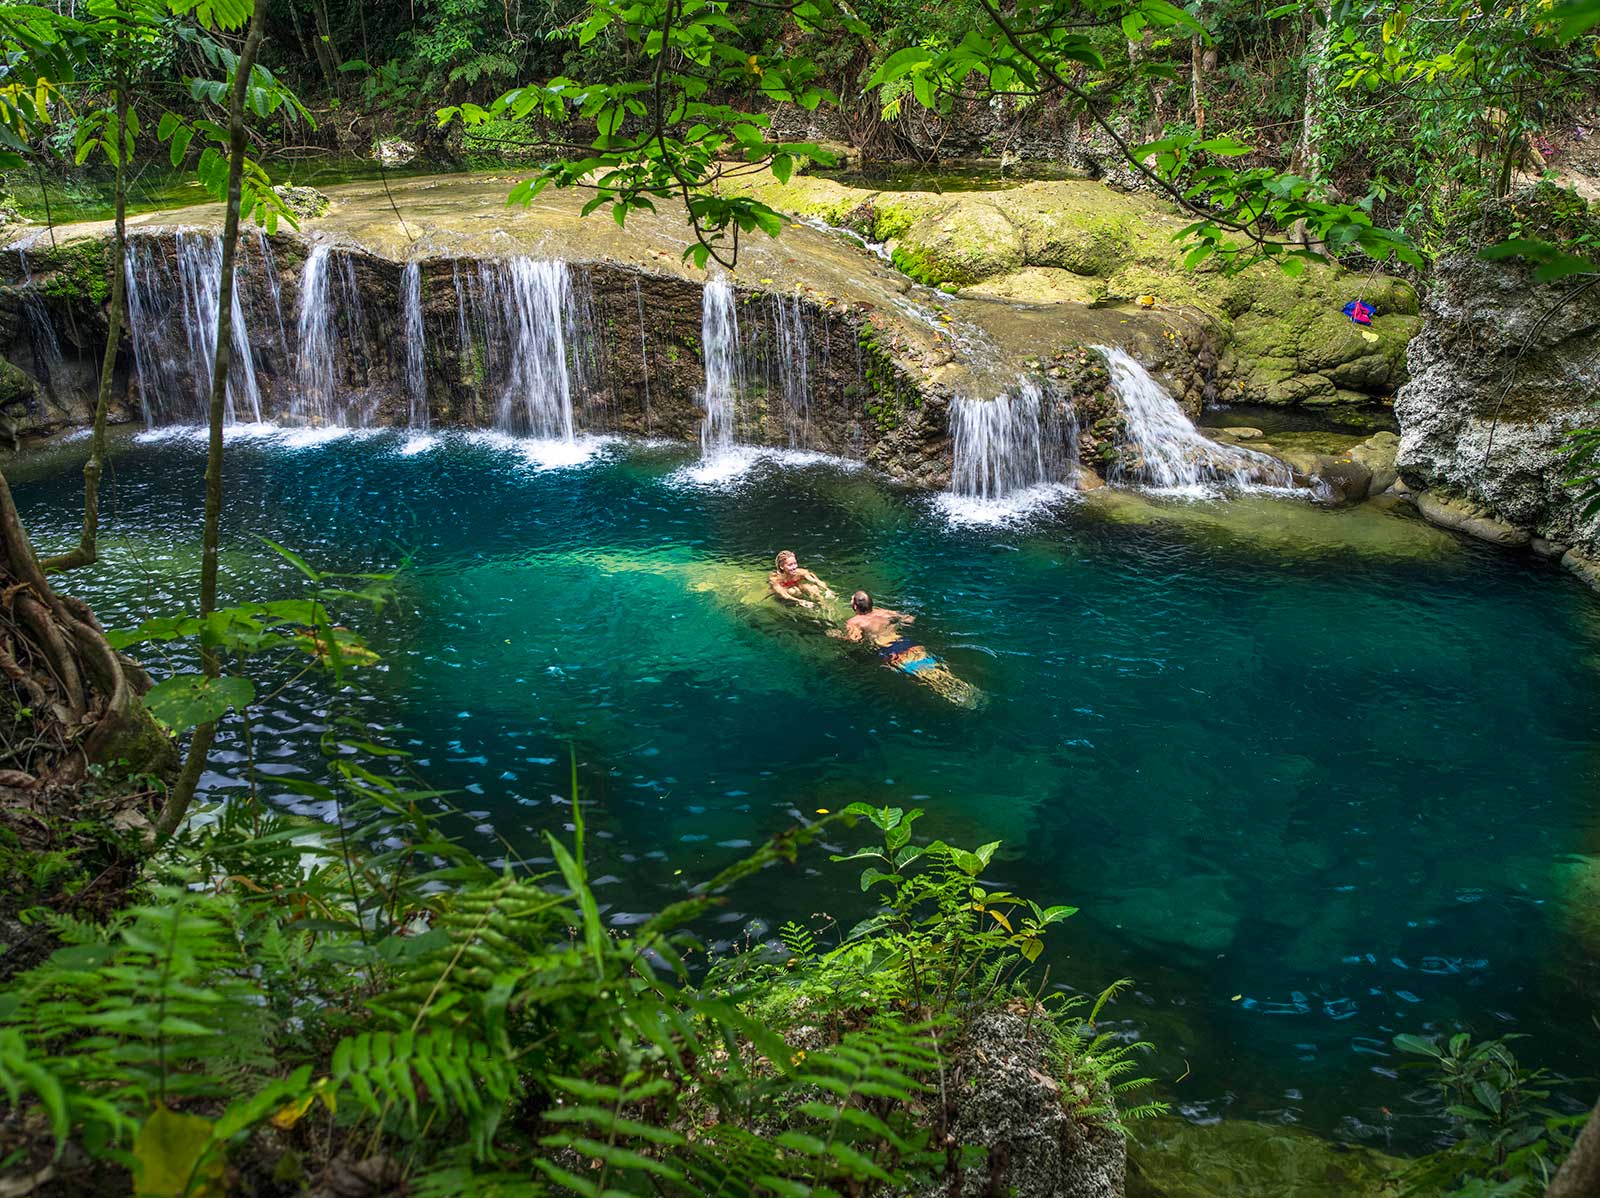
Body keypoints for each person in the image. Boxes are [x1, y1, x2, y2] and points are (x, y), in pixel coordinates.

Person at [832, 590, 982, 708]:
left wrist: (836, 635)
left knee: (926, 677)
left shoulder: (855, 621)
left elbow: (854, 640)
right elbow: (908, 618)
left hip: (892, 651)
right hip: (907, 643)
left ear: (855, 606)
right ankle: (966, 689)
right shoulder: (882, 611)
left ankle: (961, 699)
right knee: (934, 668)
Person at [768, 549, 834, 610]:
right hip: (782, 597)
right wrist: (801, 601)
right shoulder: (775, 579)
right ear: (782, 566)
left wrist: (827, 590)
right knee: (793, 591)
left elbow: (816, 581)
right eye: (790, 565)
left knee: (812, 588)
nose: (794, 567)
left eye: (795, 563)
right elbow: (783, 594)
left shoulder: (800, 572)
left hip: (796, 589)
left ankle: (824, 606)